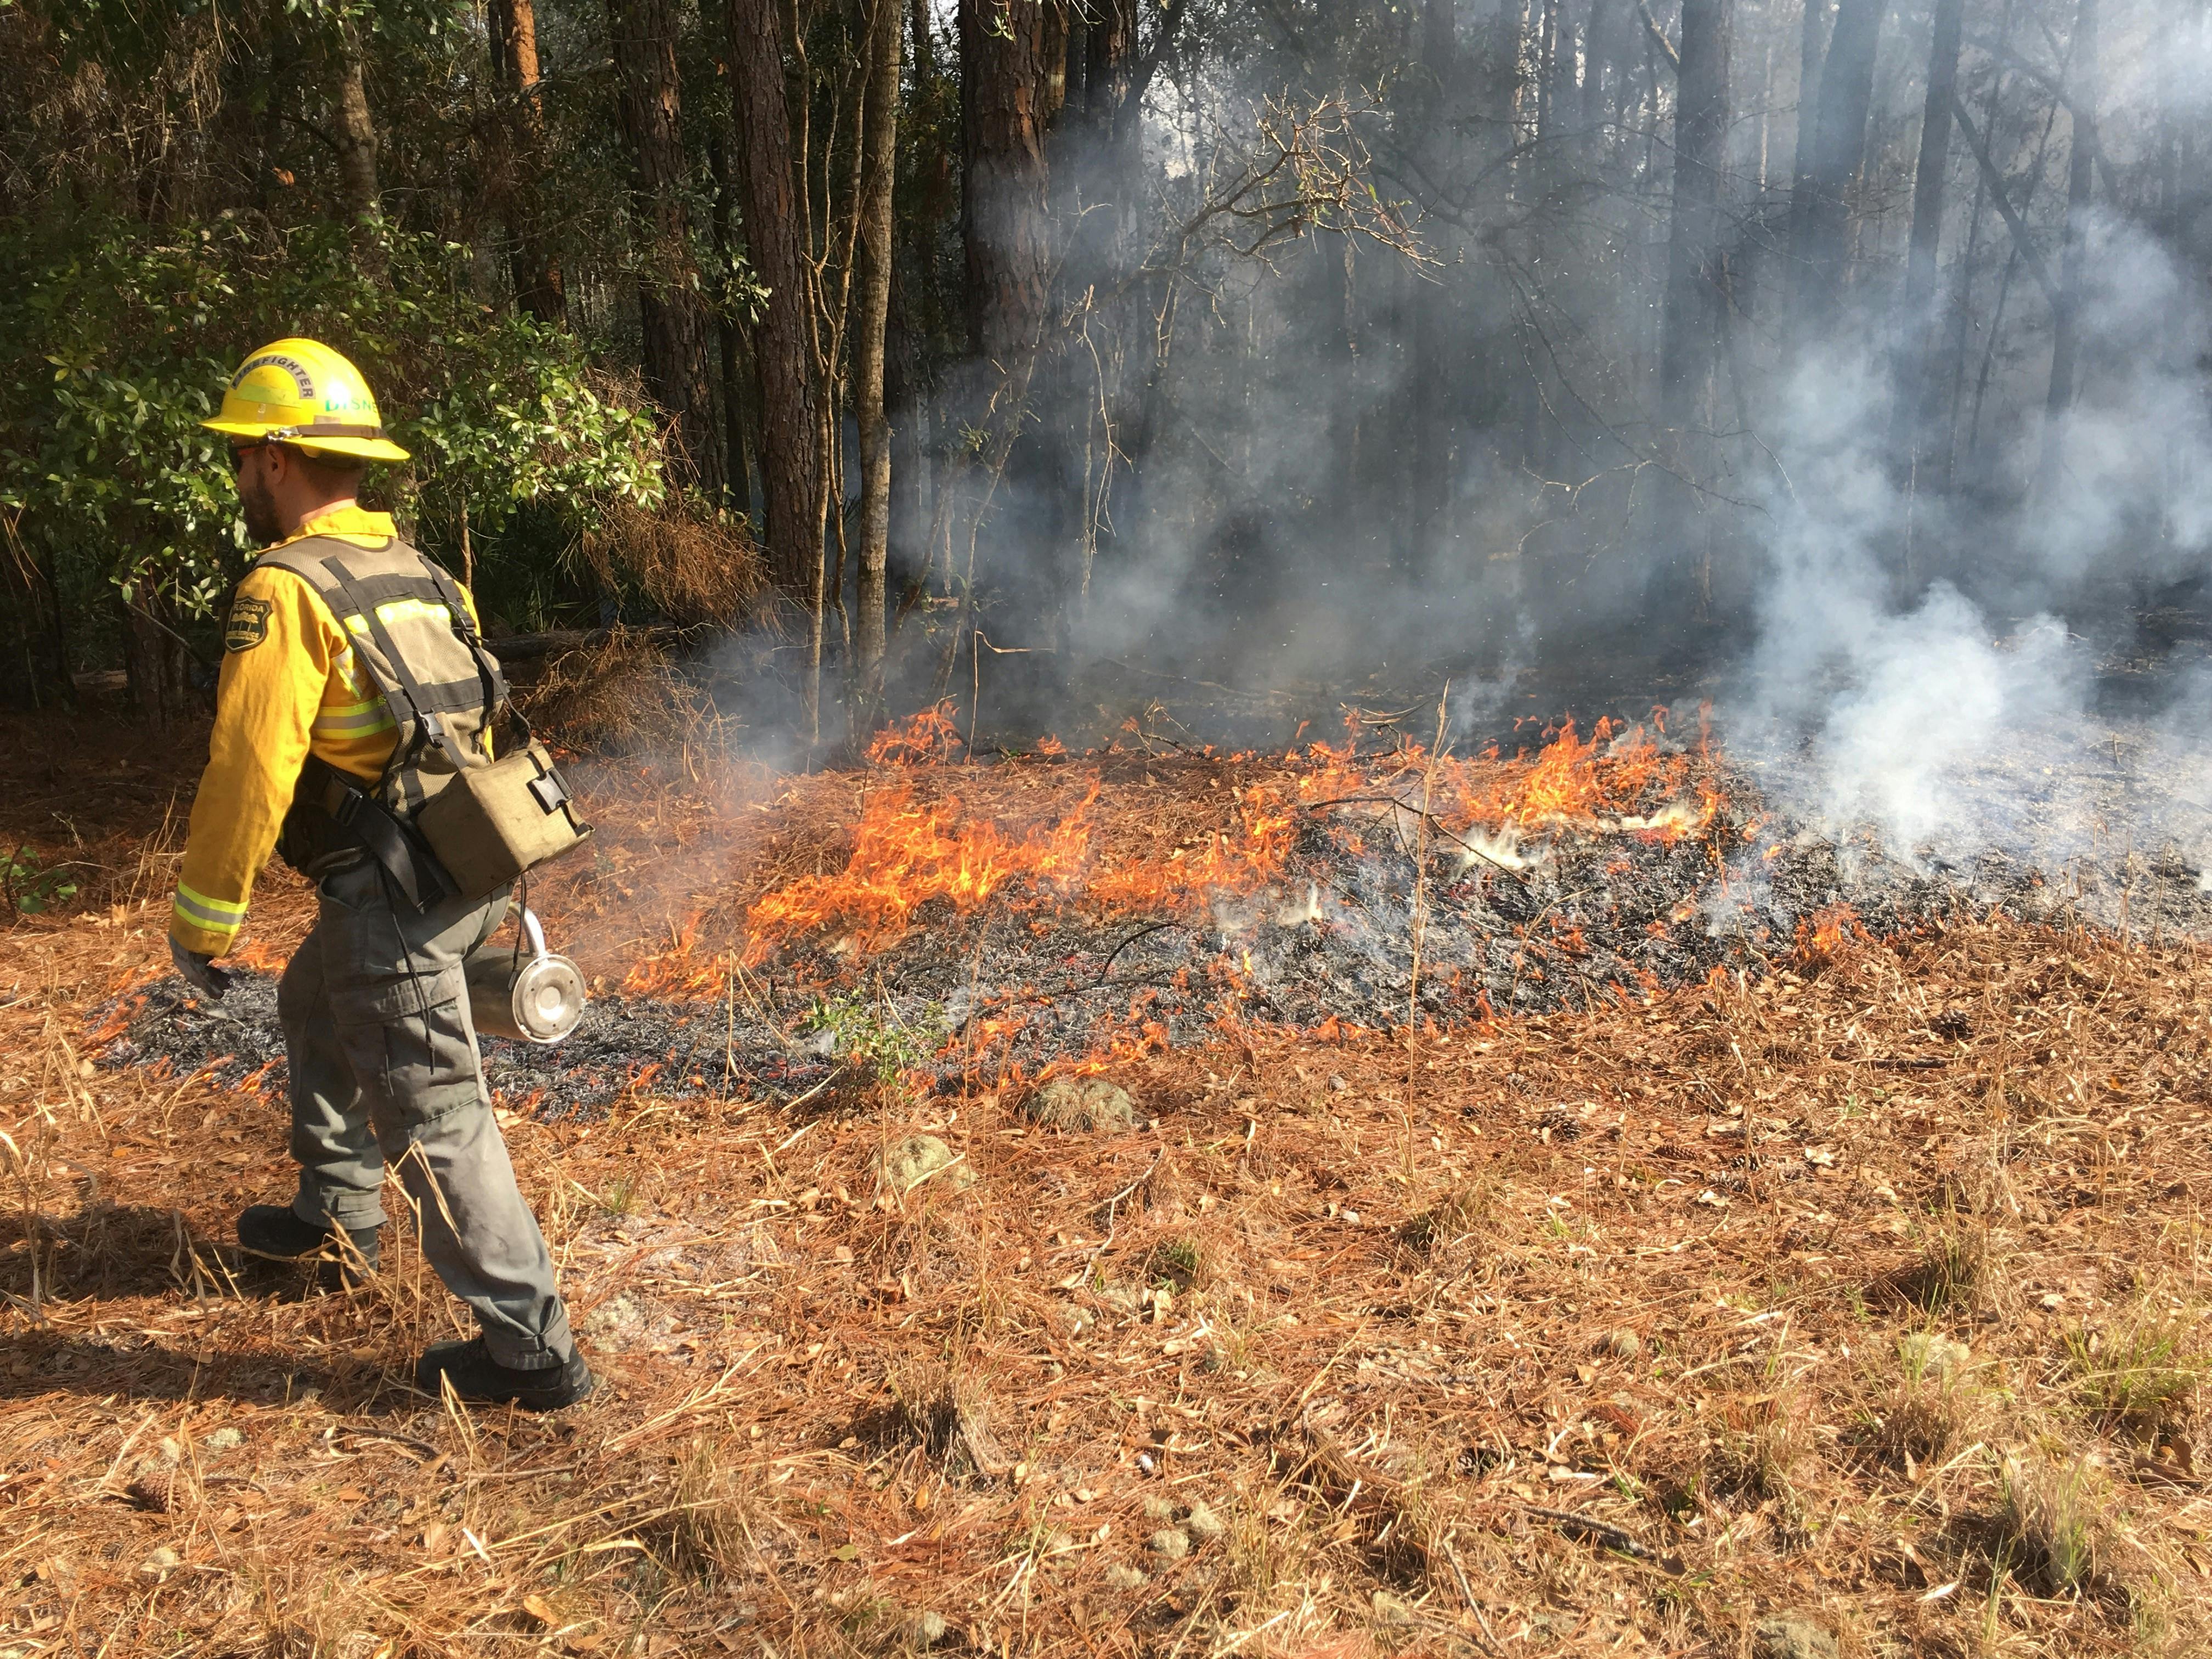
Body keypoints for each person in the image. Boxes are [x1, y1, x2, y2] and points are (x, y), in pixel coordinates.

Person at [168, 337, 593, 1410]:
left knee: (437, 1110)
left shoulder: (289, 587)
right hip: (467, 869)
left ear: (275, 458)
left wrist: (204, 919)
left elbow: (250, 766)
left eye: (240, 459)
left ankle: (529, 1350)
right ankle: (340, 1215)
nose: (237, 479)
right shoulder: (420, 574)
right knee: (315, 1001)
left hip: (389, 898)